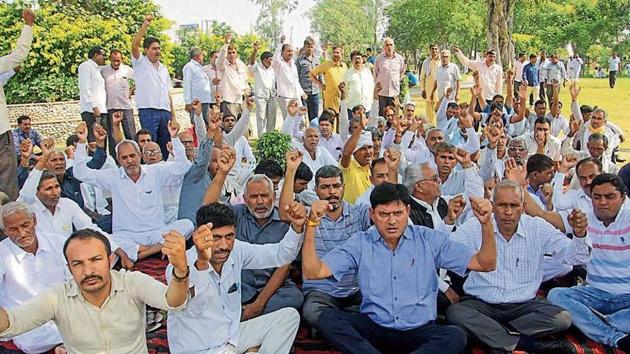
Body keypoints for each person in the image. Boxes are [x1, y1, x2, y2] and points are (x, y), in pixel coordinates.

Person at [302, 182, 498, 354]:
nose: (392, 221)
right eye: (384, 214)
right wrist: (311, 225)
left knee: (455, 336)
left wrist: (487, 224)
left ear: (408, 211)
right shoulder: (360, 243)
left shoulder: (427, 239)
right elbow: (314, 271)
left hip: (419, 331)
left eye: (398, 213)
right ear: (372, 214)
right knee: (328, 319)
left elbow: (485, 263)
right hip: (375, 328)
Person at [447, 180, 590, 354]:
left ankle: (495, 336)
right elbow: (445, 251)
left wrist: (579, 234)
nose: (508, 212)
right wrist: (448, 221)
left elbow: (575, 257)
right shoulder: (475, 226)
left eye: (514, 206)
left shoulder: (537, 227)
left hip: (524, 306)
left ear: (523, 207)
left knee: (562, 319)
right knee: (456, 312)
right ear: (492, 206)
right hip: (481, 304)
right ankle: (525, 343)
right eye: (502, 205)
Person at [0, 227, 190, 353]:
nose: (88, 271)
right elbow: (11, 323)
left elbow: (173, 302)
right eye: (78, 264)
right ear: (69, 269)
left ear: (109, 260)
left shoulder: (132, 282)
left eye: (95, 260)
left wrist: (180, 270)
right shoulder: (57, 297)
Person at [167, 201, 304, 354]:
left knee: (288, 317)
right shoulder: (179, 266)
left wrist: (296, 228)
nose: (224, 245)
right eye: (216, 238)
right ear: (199, 236)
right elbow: (196, 308)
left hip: (232, 338)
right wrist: (202, 263)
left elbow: (280, 255)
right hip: (200, 349)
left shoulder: (236, 249)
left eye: (229, 236)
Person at [203, 148, 304, 319]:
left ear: (273, 196)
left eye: (264, 195)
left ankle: (244, 318)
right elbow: (208, 212)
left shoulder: (285, 221)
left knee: (295, 298)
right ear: (245, 198)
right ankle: (261, 324)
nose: (259, 202)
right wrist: (222, 172)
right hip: (240, 284)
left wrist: (258, 305)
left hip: (275, 287)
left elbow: (283, 266)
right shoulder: (236, 214)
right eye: (254, 196)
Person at [73, 120, 194, 262]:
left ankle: (141, 253)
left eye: (132, 156)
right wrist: (82, 143)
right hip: (128, 236)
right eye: (124, 158)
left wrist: (174, 138)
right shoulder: (112, 176)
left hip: (157, 233)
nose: (129, 161)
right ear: (119, 160)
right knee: (106, 238)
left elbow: (183, 167)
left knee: (188, 224)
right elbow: (80, 173)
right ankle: (159, 248)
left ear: (140, 156)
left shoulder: (155, 171)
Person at [547, 174, 630, 353]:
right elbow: (542, 215)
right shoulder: (583, 218)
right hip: (594, 294)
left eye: (610, 197)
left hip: (627, 297)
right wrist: (579, 234)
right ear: (590, 198)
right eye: (597, 197)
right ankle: (614, 337)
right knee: (556, 295)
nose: (602, 202)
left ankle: (599, 321)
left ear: (622, 198)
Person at [0, 202, 67, 354]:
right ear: (5, 231)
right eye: (13, 229)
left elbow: (74, 282)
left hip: (64, 317)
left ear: (35, 220)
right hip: (28, 327)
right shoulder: (2, 254)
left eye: (25, 225)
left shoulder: (59, 243)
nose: (22, 233)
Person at [131, 15, 173, 160]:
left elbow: (169, 93)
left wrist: (173, 115)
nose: (157, 51)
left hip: (165, 111)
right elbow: (134, 45)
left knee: (165, 145)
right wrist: (145, 26)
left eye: (159, 48)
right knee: (149, 145)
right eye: (154, 49)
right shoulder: (140, 63)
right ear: (146, 50)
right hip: (148, 110)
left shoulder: (164, 69)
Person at [101, 49, 136, 141]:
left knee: (131, 134)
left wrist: (131, 91)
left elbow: (134, 83)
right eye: (114, 60)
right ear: (109, 59)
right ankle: (114, 155)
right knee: (113, 136)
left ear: (122, 59)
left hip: (126, 106)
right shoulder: (103, 70)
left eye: (118, 60)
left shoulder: (128, 70)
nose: (116, 63)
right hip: (110, 106)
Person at [78, 46, 108, 150]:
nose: (104, 58)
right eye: (102, 55)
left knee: (103, 139)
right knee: (94, 140)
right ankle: (94, 165)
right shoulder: (86, 66)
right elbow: (85, 87)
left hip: (102, 109)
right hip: (91, 111)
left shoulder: (98, 69)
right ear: (96, 55)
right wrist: (93, 106)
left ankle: (104, 164)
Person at [340, 114, 373, 204]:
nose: (368, 152)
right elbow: (346, 153)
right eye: (363, 148)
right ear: (354, 152)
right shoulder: (349, 166)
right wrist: (360, 128)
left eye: (370, 147)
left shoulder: (373, 168)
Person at [273, 35, 306, 122]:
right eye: (288, 51)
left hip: (296, 95)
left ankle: (299, 135)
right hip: (285, 96)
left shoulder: (293, 64)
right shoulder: (279, 64)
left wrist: (302, 92)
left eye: (291, 51)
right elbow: (275, 58)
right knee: (289, 120)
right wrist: (280, 43)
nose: (290, 53)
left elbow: (296, 81)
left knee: (300, 120)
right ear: (282, 52)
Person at [217, 32, 249, 119]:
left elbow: (243, 79)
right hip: (228, 100)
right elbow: (220, 59)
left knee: (242, 126)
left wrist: (246, 88)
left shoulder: (241, 64)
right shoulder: (223, 65)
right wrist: (226, 44)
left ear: (236, 53)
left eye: (233, 52)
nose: (231, 55)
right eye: (229, 53)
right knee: (230, 126)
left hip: (240, 99)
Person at [249, 41, 277, 135]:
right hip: (261, 97)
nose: (271, 61)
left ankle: (270, 137)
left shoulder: (272, 70)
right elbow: (252, 62)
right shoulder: (257, 67)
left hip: (272, 96)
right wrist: (255, 51)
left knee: (272, 118)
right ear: (264, 60)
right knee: (261, 118)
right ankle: (262, 139)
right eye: (269, 59)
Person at [310, 46, 347, 113]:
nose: (335, 54)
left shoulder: (344, 66)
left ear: (341, 54)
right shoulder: (326, 65)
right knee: (331, 120)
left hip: (342, 99)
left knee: (342, 120)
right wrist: (320, 85)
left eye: (337, 53)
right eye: (334, 52)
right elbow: (312, 74)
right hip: (330, 100)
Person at [373, 37, 405, 115]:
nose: (389, 47)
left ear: (394, 46)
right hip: (382, 93)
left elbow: (401, 73)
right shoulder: (379, 58)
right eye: (387, 45)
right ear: (384, 47)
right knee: (382, 116)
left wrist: (395, 81)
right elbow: (375, 73)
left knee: (394, 116)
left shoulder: (400, 59)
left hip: (394, 93)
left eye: (391, 45)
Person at [182, 47, 212, 124]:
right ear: (198, 56)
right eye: (202, 55)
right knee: (197, 124)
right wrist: (188, 102)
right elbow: (187, 84)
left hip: (205, 100)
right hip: (196, 102)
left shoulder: (199, 68)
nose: (203, 58)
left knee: (205, 124)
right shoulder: (189, 67)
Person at [342, 50, 374, 118]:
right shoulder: (347, 74)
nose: (357, 60)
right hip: (353, 109)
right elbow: (345, 91)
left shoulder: (368, 72)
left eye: (359, 58)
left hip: (367, 108)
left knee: (368, 128)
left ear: (362, 60)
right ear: (352, 61)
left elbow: (372, 87)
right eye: (355, 59)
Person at [296, 37, 321, 120]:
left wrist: (322, 86)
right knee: (302, 117)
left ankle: (313, 132)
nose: (310, 49)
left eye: (311, 47)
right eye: (308, 47)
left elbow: (320, 75)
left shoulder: (317, 60)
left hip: (315, 92)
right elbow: (296, 76)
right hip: (304, 92)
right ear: (304, 47)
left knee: (314, 118)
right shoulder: (299, 60)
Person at [420, 44, 440, 124]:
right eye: (432, 49)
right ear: (429, 50)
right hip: (428, 89)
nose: (434, 51)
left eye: (436, 49)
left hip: (439, 90)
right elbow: (422, 77)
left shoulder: (441, 61)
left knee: (438, 109)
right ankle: (430, 127)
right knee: (429, 111)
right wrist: (422, 89)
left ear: (438, 50)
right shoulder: (426, 61)